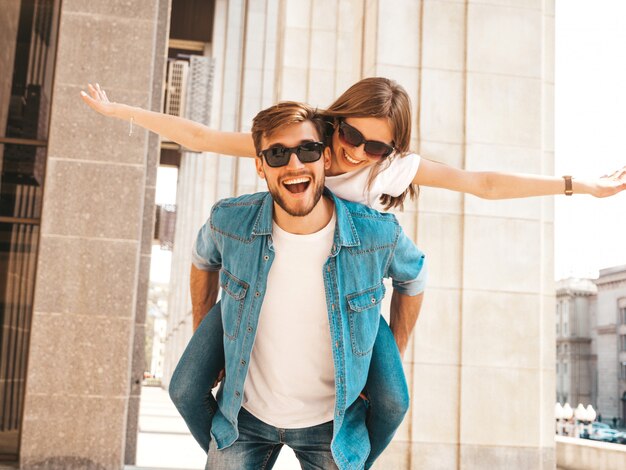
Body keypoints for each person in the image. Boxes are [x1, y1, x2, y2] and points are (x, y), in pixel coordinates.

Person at [189, 101, 426, 469]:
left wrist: (388, 355)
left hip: (331, 429)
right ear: (259, 164)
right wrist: (204, 328)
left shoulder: (376, 233)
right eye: (278, 154)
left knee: (395, 400)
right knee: (184, 388)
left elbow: (414, 277)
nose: (295, 164)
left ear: (325, 159)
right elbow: (202, 259)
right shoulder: (231, 221)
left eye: (308, 150)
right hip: (244, 420)